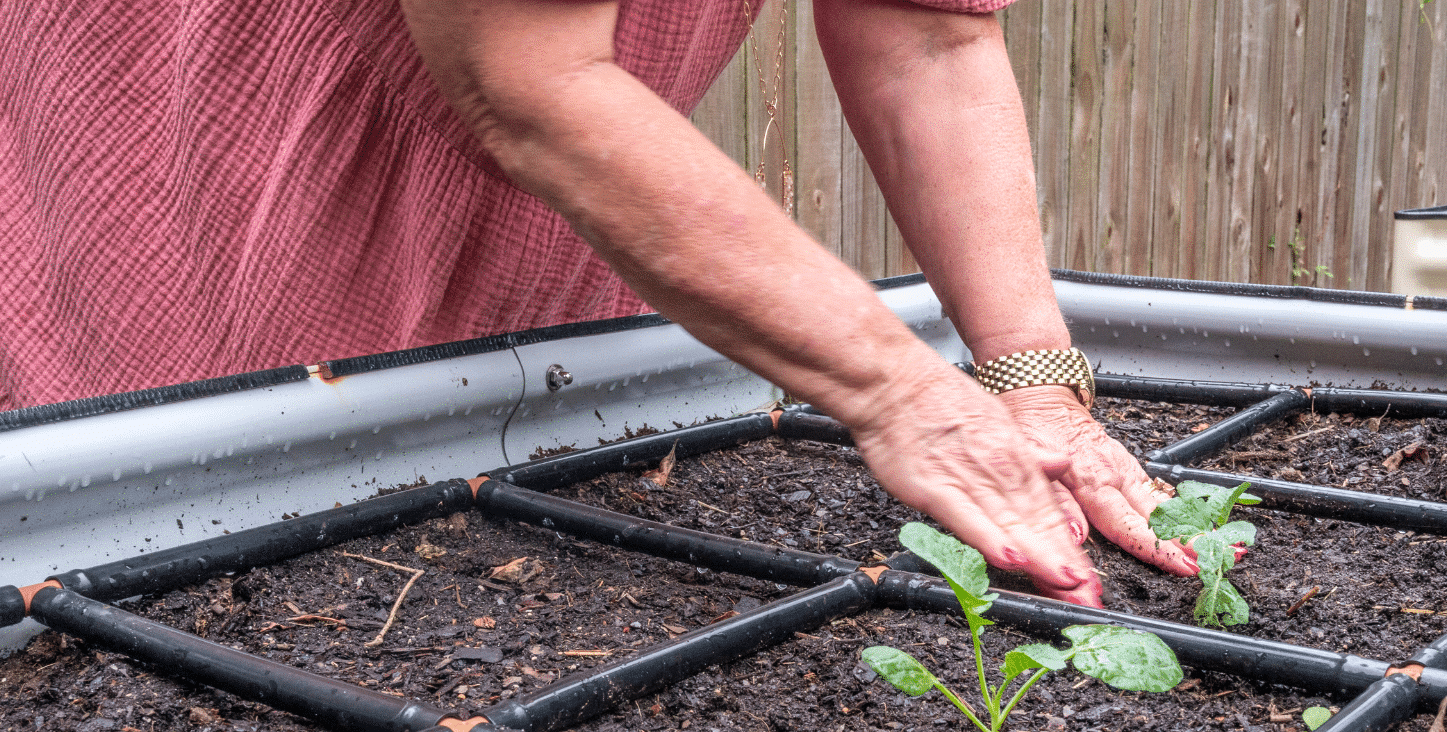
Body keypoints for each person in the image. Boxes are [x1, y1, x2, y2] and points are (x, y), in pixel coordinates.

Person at [0, 0, 1193, 604]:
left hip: (534, 166)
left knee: (471, 504)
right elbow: (524, 77)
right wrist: (901, 394)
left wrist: (1032, 383)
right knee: (189, 552)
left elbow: (924, 37)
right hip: (221, 134)